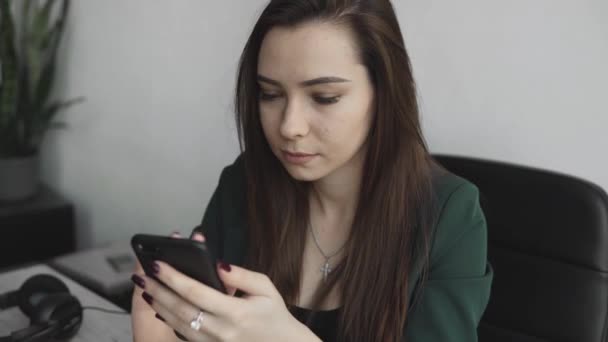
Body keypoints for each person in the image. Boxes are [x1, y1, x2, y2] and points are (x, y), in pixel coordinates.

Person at [130, 0, 493, 341]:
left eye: (324, 98)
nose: (290, 126)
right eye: (270, 94)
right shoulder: (245, 183)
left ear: (384, 91)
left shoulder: (449, 216)